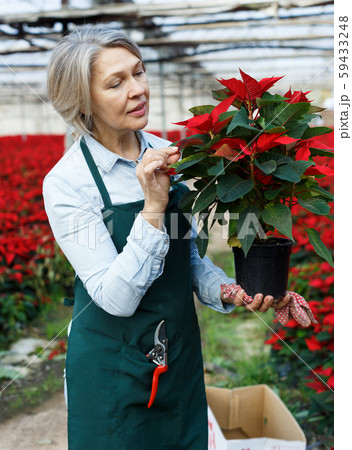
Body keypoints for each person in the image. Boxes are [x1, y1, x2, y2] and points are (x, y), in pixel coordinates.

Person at [43, 25, 291, 449]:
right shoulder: (69, 184)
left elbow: (189, 258)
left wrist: (229, 291)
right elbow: (115, 298)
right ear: (83, 101)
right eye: (116, 82)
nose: (138, 89)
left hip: (177, 357)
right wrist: (153, 207)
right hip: (111, 371)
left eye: (138, 73)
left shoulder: (167, 153)